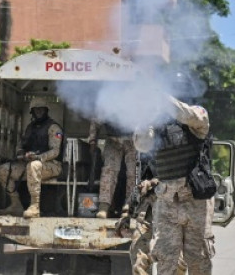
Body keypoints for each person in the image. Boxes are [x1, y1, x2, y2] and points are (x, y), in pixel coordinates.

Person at [133, 96, 214, 275]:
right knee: (165, 259)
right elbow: (142, 144)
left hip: (195, 200)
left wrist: (161, 95)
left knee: (198, 260)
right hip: (167, 201)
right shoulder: (158, 124)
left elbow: (187, 114)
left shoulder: (198, 114)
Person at [0, 97, 64, 218]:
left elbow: (55, 151)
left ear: (46, 110)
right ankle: (15, 205)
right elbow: (20, 145)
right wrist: (22, 155)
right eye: (36, 110)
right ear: (32, 112)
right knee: (3, 170)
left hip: (52, 165)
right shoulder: (30, 128)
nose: (38, 112)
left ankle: (34, 207)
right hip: (29, 163)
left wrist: (38, 157)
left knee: (34, 166)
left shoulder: (54, 128)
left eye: (41, 110)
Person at [87, 120, 136, 218]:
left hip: (133, 140)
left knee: (133, 173)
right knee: (108, 172)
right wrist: (92, 140)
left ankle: (129, 206)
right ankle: (104, 207)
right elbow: (97, 118)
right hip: (113, 139)